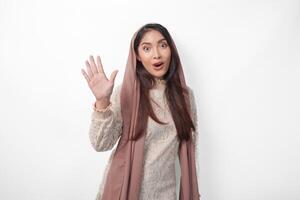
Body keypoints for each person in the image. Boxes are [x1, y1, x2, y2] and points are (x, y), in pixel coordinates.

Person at [81, 23, 201, 200]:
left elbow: (192, 148)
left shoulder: (185, 96)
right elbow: (100, 144)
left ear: (171, 50)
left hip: (165, 194)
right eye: (147, 48)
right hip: (123, 192)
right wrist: (102, 101)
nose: (156, 54)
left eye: (162, 45)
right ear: (137, 55)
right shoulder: (126, 93)